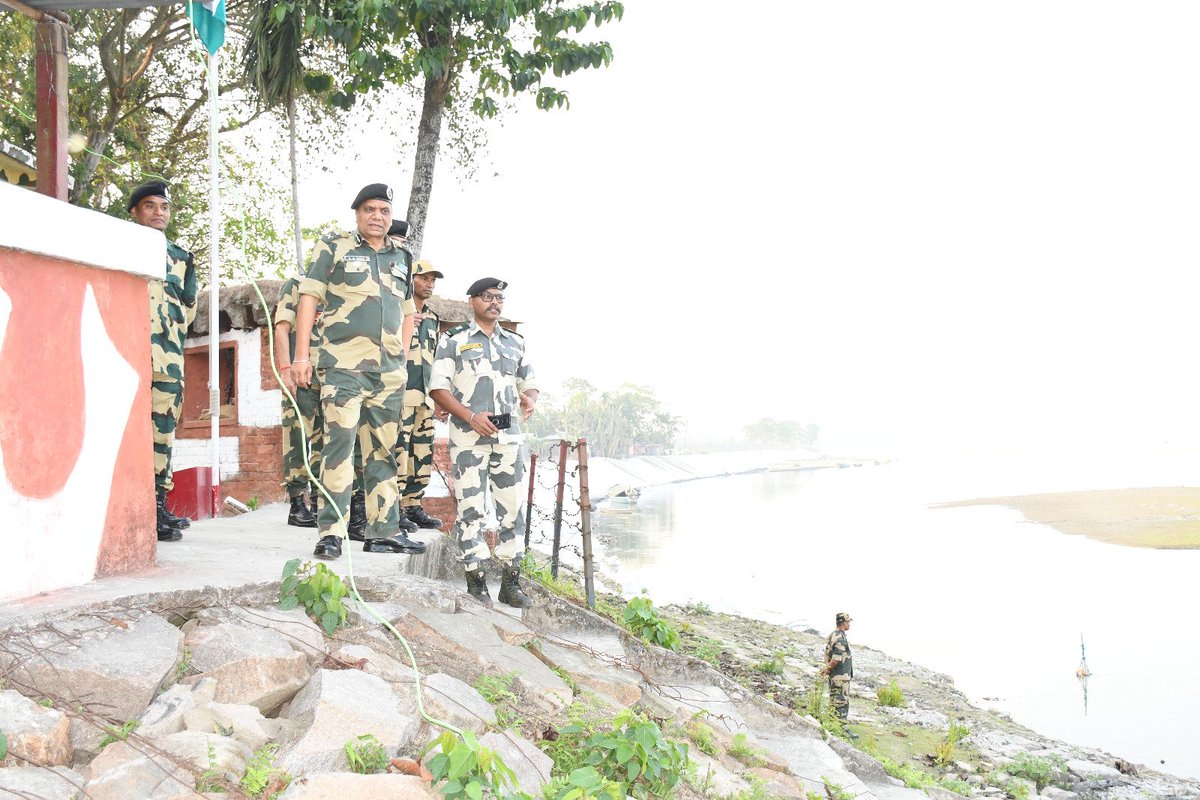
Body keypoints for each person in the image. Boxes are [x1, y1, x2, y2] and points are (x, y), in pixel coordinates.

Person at [291, 182, 425, 559]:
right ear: (357, 214)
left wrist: (400, 355)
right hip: (343, 369)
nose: (377, 217)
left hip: (388, 373)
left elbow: (409, 311)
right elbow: (309, 298)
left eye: (383, 211)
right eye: (369, 210)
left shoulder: (403, 257)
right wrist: (302, 357)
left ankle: (383, 531)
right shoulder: (334, 247)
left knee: (383, 452)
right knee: (339, 448)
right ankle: (331, 532)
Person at [428, 278, 538, 608]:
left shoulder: (514, 342)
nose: (494, 303)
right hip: (469, 440)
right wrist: (470, 416)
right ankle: (475, 582)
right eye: (487, 297)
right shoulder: (454, 339)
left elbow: (528, 382)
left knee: (512, 510)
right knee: (472, 510)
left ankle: (510, 583)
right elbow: (438, 389)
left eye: (499, 298)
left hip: (508, 440)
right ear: (473, 301)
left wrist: (530, 399)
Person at [130, 181, 197, 543]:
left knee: (163, 431)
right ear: (135, 212)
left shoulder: (181, 258)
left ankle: (157, 504)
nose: (158, 212)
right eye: (150, 206)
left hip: (167, 360)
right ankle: (134, 505)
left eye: (164, 207)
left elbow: (189, 308)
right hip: (129, 354)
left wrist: (168, 339)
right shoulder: (118, 247)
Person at [398, 259, 447, 531]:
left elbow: (435, 361)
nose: (430, 284)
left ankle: (412, 504)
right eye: (424, 278)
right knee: (398, 452)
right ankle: (393, 506)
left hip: (425, 399)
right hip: (401, 396)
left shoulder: (432, 318)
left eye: (433, 280)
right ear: (410, 279)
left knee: (421, 453)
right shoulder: (397, 312)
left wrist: (438, 399)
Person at [273, 277, 322, 527]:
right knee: (297, 438)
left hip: (330, 376)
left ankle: (318, 501)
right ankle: (297, 504)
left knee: (327, 442)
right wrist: (284, 368)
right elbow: (282, 327)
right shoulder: (297, 285)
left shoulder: (339, 284)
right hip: (299, 376)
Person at [821, 612, 856, 737]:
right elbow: (836, 659)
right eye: (848, 622)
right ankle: (842, 729)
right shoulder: (840, 638)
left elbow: (826, 654)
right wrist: (827, 670)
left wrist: (827, 670)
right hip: (841, 676)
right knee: (842, 702)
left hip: (835, 676)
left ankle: (832, 725)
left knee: (833, 700)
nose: (849, 624)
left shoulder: (832, 635)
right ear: (844, 623)